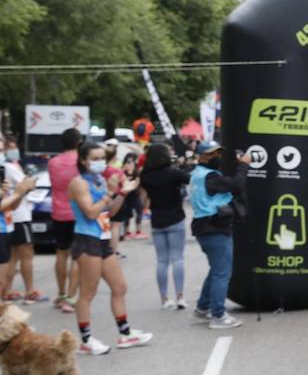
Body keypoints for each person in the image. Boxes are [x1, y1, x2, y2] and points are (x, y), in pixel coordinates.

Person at [67, 142, 153, 354]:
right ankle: (86, 341)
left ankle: (125, 334)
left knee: (119, 287)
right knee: (88, 292)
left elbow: (110, 211)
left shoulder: (99, 180)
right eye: (95, 158)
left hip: (103, 239)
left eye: (102, 158)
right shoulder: (79, 183)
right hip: (87, 239)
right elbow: (90, 212)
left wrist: (122, 193)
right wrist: (110, 193)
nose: (100, 162)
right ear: (84, 160)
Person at [189, 141, 248, 330]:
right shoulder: (210, 177)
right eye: (212, 154)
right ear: (201, 156)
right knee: (222, 272)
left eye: (219, 153)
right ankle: (218, 316)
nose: (217, 157)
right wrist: (244, 165)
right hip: (214, 228)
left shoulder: (198, 174)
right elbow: (237, 185)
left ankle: (202, 308)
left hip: (206, 227)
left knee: (216, 269)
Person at [139, 142, 192, 309]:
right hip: (175, 217)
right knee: (178, 258)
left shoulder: (145, 176)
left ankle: (164, 298)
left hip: (157, 219)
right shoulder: (173, 173)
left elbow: (143, 199)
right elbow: (191, 180)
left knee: (162, 261)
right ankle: (180, 296)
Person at [2, 138, 44, 303]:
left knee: (11, 257)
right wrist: (30, 183)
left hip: (12, 216)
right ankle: (29, 291)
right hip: (19, 215)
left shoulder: (10, 166)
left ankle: (7, 291)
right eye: (9, 148)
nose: (13, 150)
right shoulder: (10, 167)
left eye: (15, 147)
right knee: (26, 255)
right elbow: (24, 186)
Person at [47, 127, 83, 314]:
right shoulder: (81, 161)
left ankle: (61, 294)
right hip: (78, 212)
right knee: (76, 257)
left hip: (59, 212)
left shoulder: (53, 162)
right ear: (79, 142)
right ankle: (70, 297)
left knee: (61, 253)